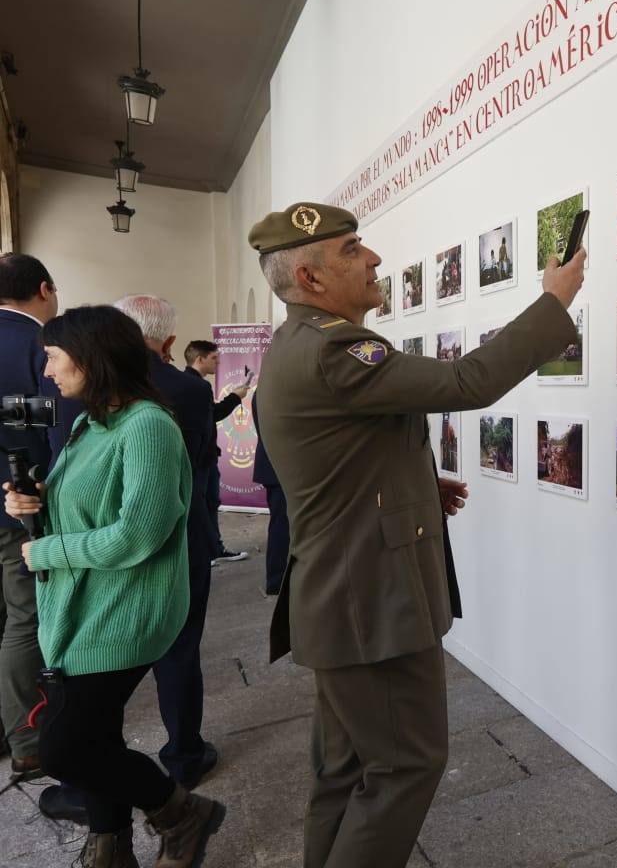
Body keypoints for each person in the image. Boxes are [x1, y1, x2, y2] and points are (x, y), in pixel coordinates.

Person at [248, 201, 583, 868]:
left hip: (342, 594)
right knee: (405, 765)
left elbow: (340, 456)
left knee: (345, 770)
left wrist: (418, 489)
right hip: (370, 602)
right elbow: (467, 382)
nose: (373, 259)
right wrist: (554, 302)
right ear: (312, 279)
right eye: (352, 251)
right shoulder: (335, 348)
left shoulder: (299, 343)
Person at [3, 305, 226, 868]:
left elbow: (139, 534)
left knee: (65, 746)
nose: (47, 371)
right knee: (96, 736)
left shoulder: (147, 425)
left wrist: (47, 548)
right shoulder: (90, 422)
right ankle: (111, 845)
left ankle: (181, 812)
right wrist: (35, 500)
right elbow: (83, 501)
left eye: (53, 357)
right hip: (85, 606)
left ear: (91, 357)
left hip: (123, 612)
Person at [118, 296, 223, 793]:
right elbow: (201, 459)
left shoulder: (92, 385)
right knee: (180, 649)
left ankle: (101, 754)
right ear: (170, 342)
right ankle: (185, 754)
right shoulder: (188, 388)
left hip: (110, 540)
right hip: (183, 533)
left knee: (108, 651)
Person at [0, 252, 59, 782]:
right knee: (24, 617)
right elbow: (56, 428)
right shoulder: (37, 343)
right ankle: (28, 737)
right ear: (44, 289)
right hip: (21, 502)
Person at [184, 340, 250, 564]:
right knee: (201, 505)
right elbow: (213, 415)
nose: (219, 362)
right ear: (199, 358)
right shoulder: (193, 386)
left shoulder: (196, 384)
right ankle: (205, 550)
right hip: (200, 460)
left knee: (211, 502)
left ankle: (213, 548)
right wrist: (236, 397)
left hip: (208, 457)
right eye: (214, 358)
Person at [251, 391, 288, 596]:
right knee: (282, 525)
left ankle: (278, 577)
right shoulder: (275, 391)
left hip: (273, 466)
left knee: (280, 523)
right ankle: (278, 578)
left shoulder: (262, 391)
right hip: (280, 466)